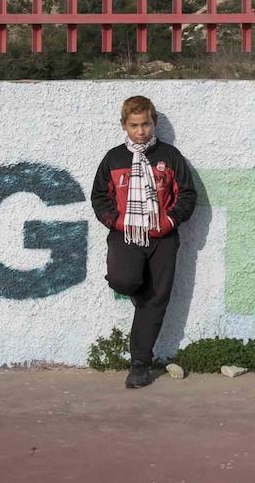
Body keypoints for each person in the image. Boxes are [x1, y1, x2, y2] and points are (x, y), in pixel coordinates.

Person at [90, 95, 197, 388]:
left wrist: (169, 221)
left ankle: (139, 365)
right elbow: (99, 196)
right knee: (124, 281)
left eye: (146, 124)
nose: (141, 131)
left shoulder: (170, 156)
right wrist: (117, 220)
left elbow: (188, 194)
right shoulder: (113, 158)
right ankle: (139, 293)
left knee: (156, 300)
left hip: (162, 237)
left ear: (154, 123)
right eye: (134, 125)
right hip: (126, 234)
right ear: (124, 125)